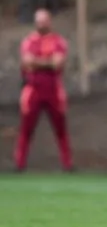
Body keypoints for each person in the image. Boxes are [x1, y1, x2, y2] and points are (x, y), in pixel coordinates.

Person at [15, 9, 74, 173]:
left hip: (53, 88)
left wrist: (37, 62)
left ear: (50, 21)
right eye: (39, 21)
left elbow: (58, 63)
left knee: (60, 128)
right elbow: (27, 62)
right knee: (26, 128)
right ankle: (19, 163)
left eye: (44, 20)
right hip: (33, 88)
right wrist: (47, 62)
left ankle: (67, 164)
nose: (42, 24)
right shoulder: (28, 41)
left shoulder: (58, 41)